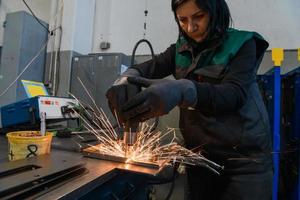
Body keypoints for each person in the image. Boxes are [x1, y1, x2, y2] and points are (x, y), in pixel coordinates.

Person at [106, 0, 273, 199]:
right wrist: (124, 81)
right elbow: (148, 67)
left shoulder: (243, 44)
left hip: (244, 163)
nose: (190, 27)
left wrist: (182, 90)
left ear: (216, 11)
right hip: (199, 157)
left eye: (199, 17)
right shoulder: (179, 50)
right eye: (182, 20)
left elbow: (233, 95)